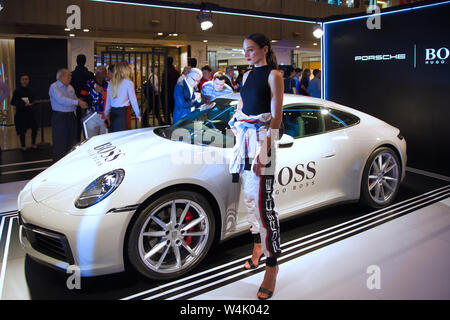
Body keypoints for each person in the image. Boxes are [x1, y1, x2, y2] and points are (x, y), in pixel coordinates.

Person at [229, 33, 283, 300]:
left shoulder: (274, 75)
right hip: (245, 141)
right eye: (244, 50)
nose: (247, 54)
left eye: (251, 49)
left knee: (264, 205)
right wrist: (236, 124)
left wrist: (265, 152)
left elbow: (276, 117)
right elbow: (242, 104)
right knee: (250, 199)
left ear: (264, 49)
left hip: (263, 143)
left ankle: (272, 267)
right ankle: (257, 248)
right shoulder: (247, 75)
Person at [49, 68, 88, 162]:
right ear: (61, 76)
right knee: (60, 142)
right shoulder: (54, 87)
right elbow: (61, 100)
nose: (70, 77)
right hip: (60, 117)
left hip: (71, 116)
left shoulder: (70, 87)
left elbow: (75, 99)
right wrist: (78, 102)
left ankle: (69, 161)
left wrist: (80, 102)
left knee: (72, 141)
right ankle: (58, 163)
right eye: (68, 75)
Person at [104, 61, 141, 132]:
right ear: (125, 70)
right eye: (129, 68)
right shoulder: (128, 83)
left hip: (112, 113)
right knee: (122, 136)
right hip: (122, 114)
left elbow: (108, 101)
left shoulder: (111, 82)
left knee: (113, 136)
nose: (130, 70)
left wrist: (106, 115)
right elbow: (133, 100)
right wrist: (137, 114)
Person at [11, 74, 38, 151]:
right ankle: (23, 146)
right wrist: (23, 104)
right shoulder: (17, 91)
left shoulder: (31, 90)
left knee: (35, 128)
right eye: (23, 79)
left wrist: (33, 103)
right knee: (22, 131)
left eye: (26, 79)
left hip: (30, 113)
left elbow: (34, 100)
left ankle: (33, 144)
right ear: (20, 81)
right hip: (21, 114)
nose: (25, 81)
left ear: (28, 81)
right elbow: (13, 102)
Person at [71, 54, 94, 142]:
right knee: (87, 122)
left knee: (77, 123)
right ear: (85, 61)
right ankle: (87, 140)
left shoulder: (73, 74)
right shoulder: (90, 74)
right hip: (87, 101)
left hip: (76, 100)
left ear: (77, 61)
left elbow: (71, 90)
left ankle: (77, 141)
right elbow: (92, 89)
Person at [83, 66, 108, 138]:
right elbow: (83, 97)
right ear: (97, 73)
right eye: (104, 72)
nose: (106, 74)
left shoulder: (108, 85)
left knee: (105, 137)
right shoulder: (89, 83)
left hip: (104, 115)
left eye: (106, 72)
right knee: (91, 137)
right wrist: (83, 114)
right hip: (92, 114)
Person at [162, 57, 180, 124]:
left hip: (166, 95)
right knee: (174, 111)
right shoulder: (176, 72)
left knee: (166, 113)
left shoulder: (166, 72)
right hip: (174, 95)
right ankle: (175, 125)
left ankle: (168, 125)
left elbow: (164, 85)